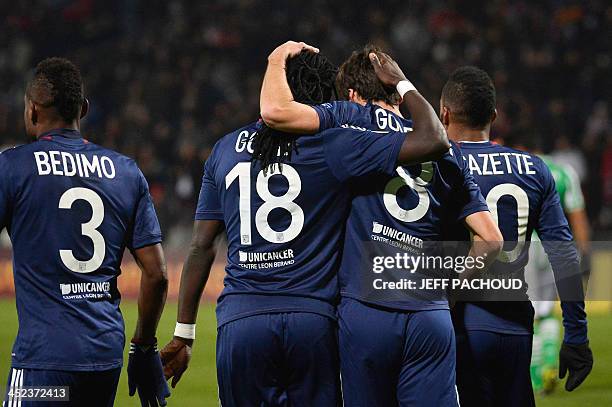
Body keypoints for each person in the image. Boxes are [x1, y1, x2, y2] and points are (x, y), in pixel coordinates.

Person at [158, 41, 462, 406]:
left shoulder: (224, 150)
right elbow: (428, 142)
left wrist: (184, 333)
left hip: (242, 318)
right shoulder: (334, 144)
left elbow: (201, 246)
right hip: (313, 319)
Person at [258, 43, 503, 406]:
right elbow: (491, 240)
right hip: (429, 314)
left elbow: (275, 112)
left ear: (353, 94)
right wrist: (446, 294)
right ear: (398, 95)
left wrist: (276, 58)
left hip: (366, 310)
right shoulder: (444, 148)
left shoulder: (347, 120)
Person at [0, 58, 170, 407]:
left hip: (42, 363)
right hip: (103, 359)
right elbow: (156, 274)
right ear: (84, 109)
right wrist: (143, 347)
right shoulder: (126, 172)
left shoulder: (13, 168)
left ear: (32, 110)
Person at [442, 66, 593, 406]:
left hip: (457, 322)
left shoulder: (439, 164)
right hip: (514, 325)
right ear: (494, 116)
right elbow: (564, 254)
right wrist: (577, 336)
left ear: (445, 113)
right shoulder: (536, 168)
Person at [515, 137, 591, 394]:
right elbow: (577, 214)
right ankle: (549, 364)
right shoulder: (562, 171)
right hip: (555, 248)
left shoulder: (518, 167)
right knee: (547, 310)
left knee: (530, 314)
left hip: (525, 246)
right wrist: (584, 254)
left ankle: (536, 376)